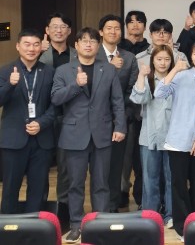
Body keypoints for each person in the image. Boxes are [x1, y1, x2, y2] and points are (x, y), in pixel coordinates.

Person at [51, 27, 126, 244]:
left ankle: (99, 224)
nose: (88, 44)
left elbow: (117, 101)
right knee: (75, 183)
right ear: (76, 45)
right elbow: (56, 98)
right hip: (74, 135)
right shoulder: (64, 70)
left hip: (102, 133)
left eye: (92, 41)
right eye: (83, 40)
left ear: (97, 45)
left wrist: (120, 127)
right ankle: (76, 224)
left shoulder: (108, 69)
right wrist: (76, 85)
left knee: (101, 183)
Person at [154, 41, 195, 240]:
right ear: (191, 57)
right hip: (178, 140)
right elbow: (159, 93)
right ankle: (182, 226)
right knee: (179, 184)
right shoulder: (180, 76)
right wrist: (175, 69)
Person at [0, 29, 55, 214]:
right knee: (10, 189)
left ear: (41, 47)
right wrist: (10, 85)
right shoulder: (5, 71)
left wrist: (41, 123)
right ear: (18, 46)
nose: (31, 49)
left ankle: (35, 228)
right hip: (14, 140)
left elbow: (55, 106)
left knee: (38, 190)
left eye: (36, 44)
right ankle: (7, 227)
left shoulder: (49, 72)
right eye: (27, 44)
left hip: (42, 140)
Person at [130, 44, 178, 229]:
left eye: (167, 59)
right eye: (159, 59)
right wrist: (141, 75)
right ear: (152, 61)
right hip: (149, 136)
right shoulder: (148, 79)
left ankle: (171, 214)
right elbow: (138, 99)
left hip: (173, 138)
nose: (163, 63)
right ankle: (151, 214)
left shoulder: (177, 80)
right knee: (150, 179)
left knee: (171, 178)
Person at [97, 14, 139, 213]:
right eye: (109, 28)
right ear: (101, 32)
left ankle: (112, 207)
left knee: (117, 167)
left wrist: (121, 115)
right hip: (95, 120)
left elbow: (131, 91)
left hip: (119, 121)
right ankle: (99, 207)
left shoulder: (129, 58)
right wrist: (108, 68)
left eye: (116, 28)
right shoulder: (92, 54)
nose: (113, 32)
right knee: (97, 167)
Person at [38, 12, 76, 227]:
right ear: (47, 30)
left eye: (63, 26)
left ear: (69, 31)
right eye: (54, 26)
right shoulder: (38, 52)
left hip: (68, 116)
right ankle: (40, 207)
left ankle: (64, 209)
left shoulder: (76, 55)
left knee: (65, 166)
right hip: (43, 117)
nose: (59, 30)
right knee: (40, 164)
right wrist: (38, 51)